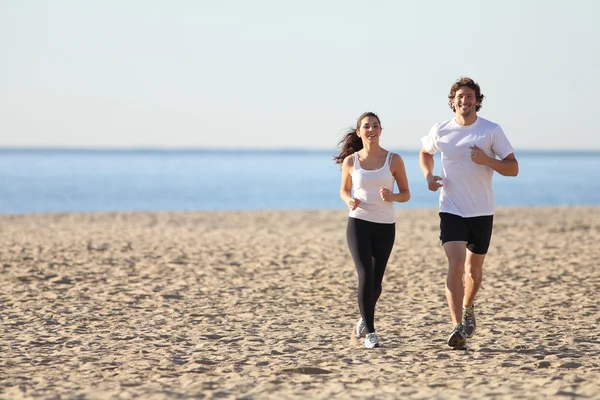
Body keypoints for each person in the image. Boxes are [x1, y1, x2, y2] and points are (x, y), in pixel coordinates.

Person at [419, 77, 519, 349]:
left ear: (478, 100)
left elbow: (513, 168)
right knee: (455, 264)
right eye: (460, 97)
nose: (465, 101)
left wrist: (487, 160)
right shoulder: (441, 129)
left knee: (474, 271)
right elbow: (425, 152)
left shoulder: (491, 131)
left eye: (469, 97)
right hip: (451, 207)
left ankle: (468, 307)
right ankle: (456, 326)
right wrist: (428, 175)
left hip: (482, 210)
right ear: (453, 101)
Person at [334, 111, 410, 349]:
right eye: (366, 126)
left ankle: (363, 317)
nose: (371, 129)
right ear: (359, 132)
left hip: (386, 226)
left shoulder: (393, 160)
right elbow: (344, 191)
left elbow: (406, 194)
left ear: (380, 131)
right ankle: (371, 333)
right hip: (358, 223)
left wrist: (393, 196)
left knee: (376, 285)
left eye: (375, 126)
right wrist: (349, 201)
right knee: (365, 275)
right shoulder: (351, 161)